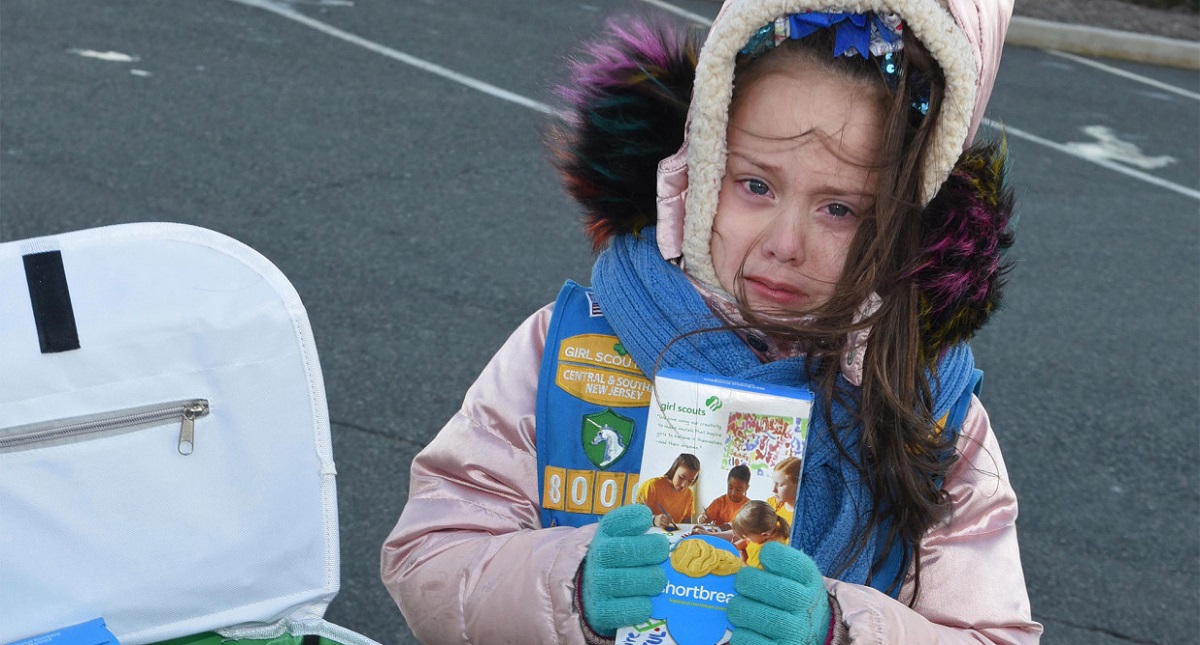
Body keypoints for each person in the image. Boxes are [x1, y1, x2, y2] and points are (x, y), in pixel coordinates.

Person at [381, 0, 1042, 643]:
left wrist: (838, 628)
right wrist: (570, 585)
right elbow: (430, 556)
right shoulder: (575, 346)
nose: (786, 242)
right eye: (755, 185)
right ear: (700, 171)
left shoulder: (934, 410)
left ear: (902, 222)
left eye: (840, 208)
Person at [633, 453, 700, 528]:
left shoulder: (689, 494)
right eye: (681, 477)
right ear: (674, 470)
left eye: (690, 481)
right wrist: (653, 520)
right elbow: (635, 517)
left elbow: (686, 523)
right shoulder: (651, 486)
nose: (684, 485)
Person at [731, 500, 791, 568]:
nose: (746, 539)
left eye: (747, 537)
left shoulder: (768, 554)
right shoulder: (770, 529)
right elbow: (746, 542)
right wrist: (734, 546)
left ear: (764, 535)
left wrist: (743, 561)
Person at [697, 464, 752, 529]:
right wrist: (702, 519)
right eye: (730, 487)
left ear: (747, 488)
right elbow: (701, 521)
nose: (733, 493)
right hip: (717, 537)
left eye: (738, 489)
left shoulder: (749, 507)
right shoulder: (719, 502)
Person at [766, 456, 802, 529]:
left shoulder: (803, 515)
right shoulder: (771, 504)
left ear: (797, 485)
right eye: (774, 483)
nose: (774, 489)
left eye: (779, 485)